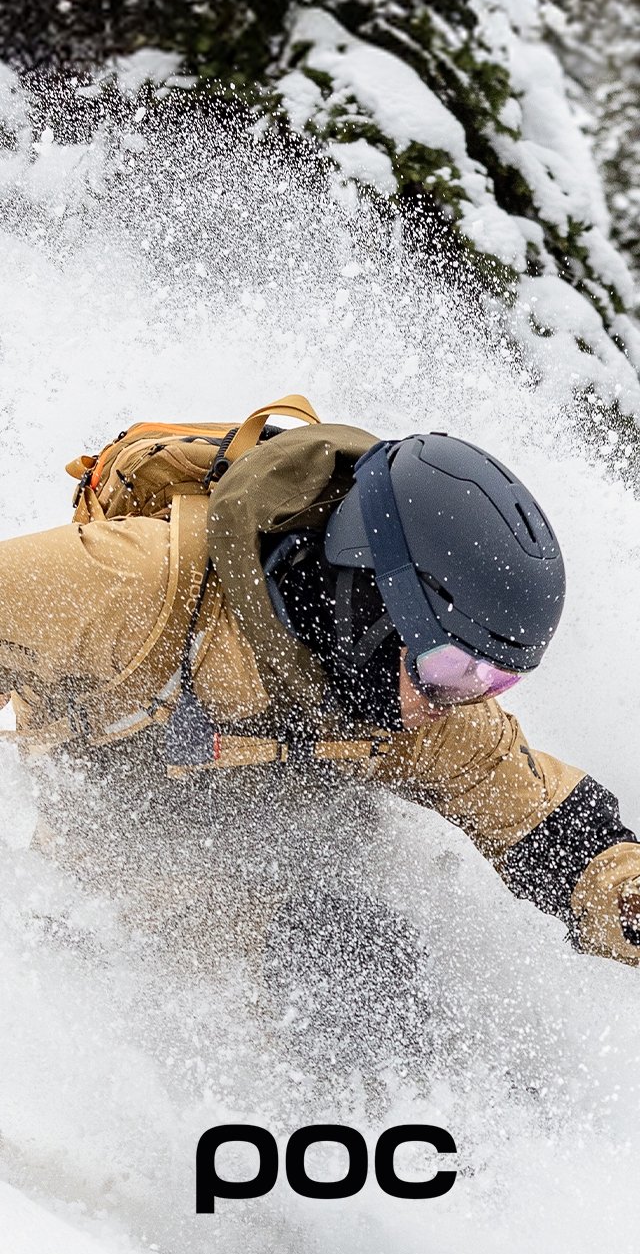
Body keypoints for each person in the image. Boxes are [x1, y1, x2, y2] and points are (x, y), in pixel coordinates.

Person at [0, 403, 638, 966]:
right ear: (374, 607)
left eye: (494, 680)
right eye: (453, 668)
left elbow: (552, 831)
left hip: (260, 911)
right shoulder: (142, 586)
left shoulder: (426, 702)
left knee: (363, 955)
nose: (462, 700)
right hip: (93, 898)